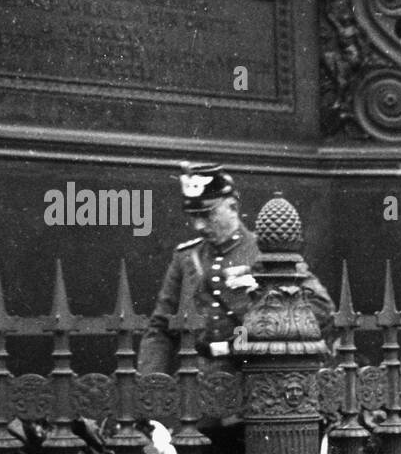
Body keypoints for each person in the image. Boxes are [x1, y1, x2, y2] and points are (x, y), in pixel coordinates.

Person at [138, 162, 334, 377]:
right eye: (194, 216)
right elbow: (160, 327)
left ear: (232, 206)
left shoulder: (266, 251)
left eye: (207, 214)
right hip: (197, 380)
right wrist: (149, 383)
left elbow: (320, 309)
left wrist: (260, 329)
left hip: (254, 377)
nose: (199, 226)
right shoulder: (187, 257)